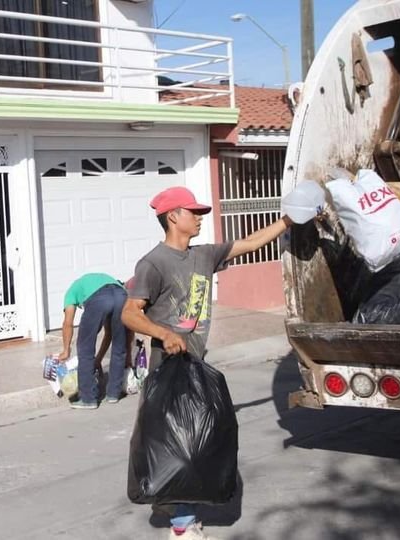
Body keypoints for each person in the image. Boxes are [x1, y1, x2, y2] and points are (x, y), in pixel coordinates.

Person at [121, 186, 292, 540]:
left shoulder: (203, 255)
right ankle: (183, 526)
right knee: (186, 442)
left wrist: (288, 221)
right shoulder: (153, 263)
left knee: (185, 440)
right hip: (167, 367)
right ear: (173, 217)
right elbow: (130, 313)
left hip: (194, 362)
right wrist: (163, 333)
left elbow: (250, 243)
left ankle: (173, 504)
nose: (200, 218)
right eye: (193, 212)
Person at [57, 273, 130, 409]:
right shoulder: (99, 281)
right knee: (119, 344)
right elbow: (109, 334)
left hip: (99, 298)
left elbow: (68, 323)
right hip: (121, 295)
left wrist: (66, 350)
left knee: (85, 347)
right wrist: (98, 359)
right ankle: (113, 394)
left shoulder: (71, 292)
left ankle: (88, 398)